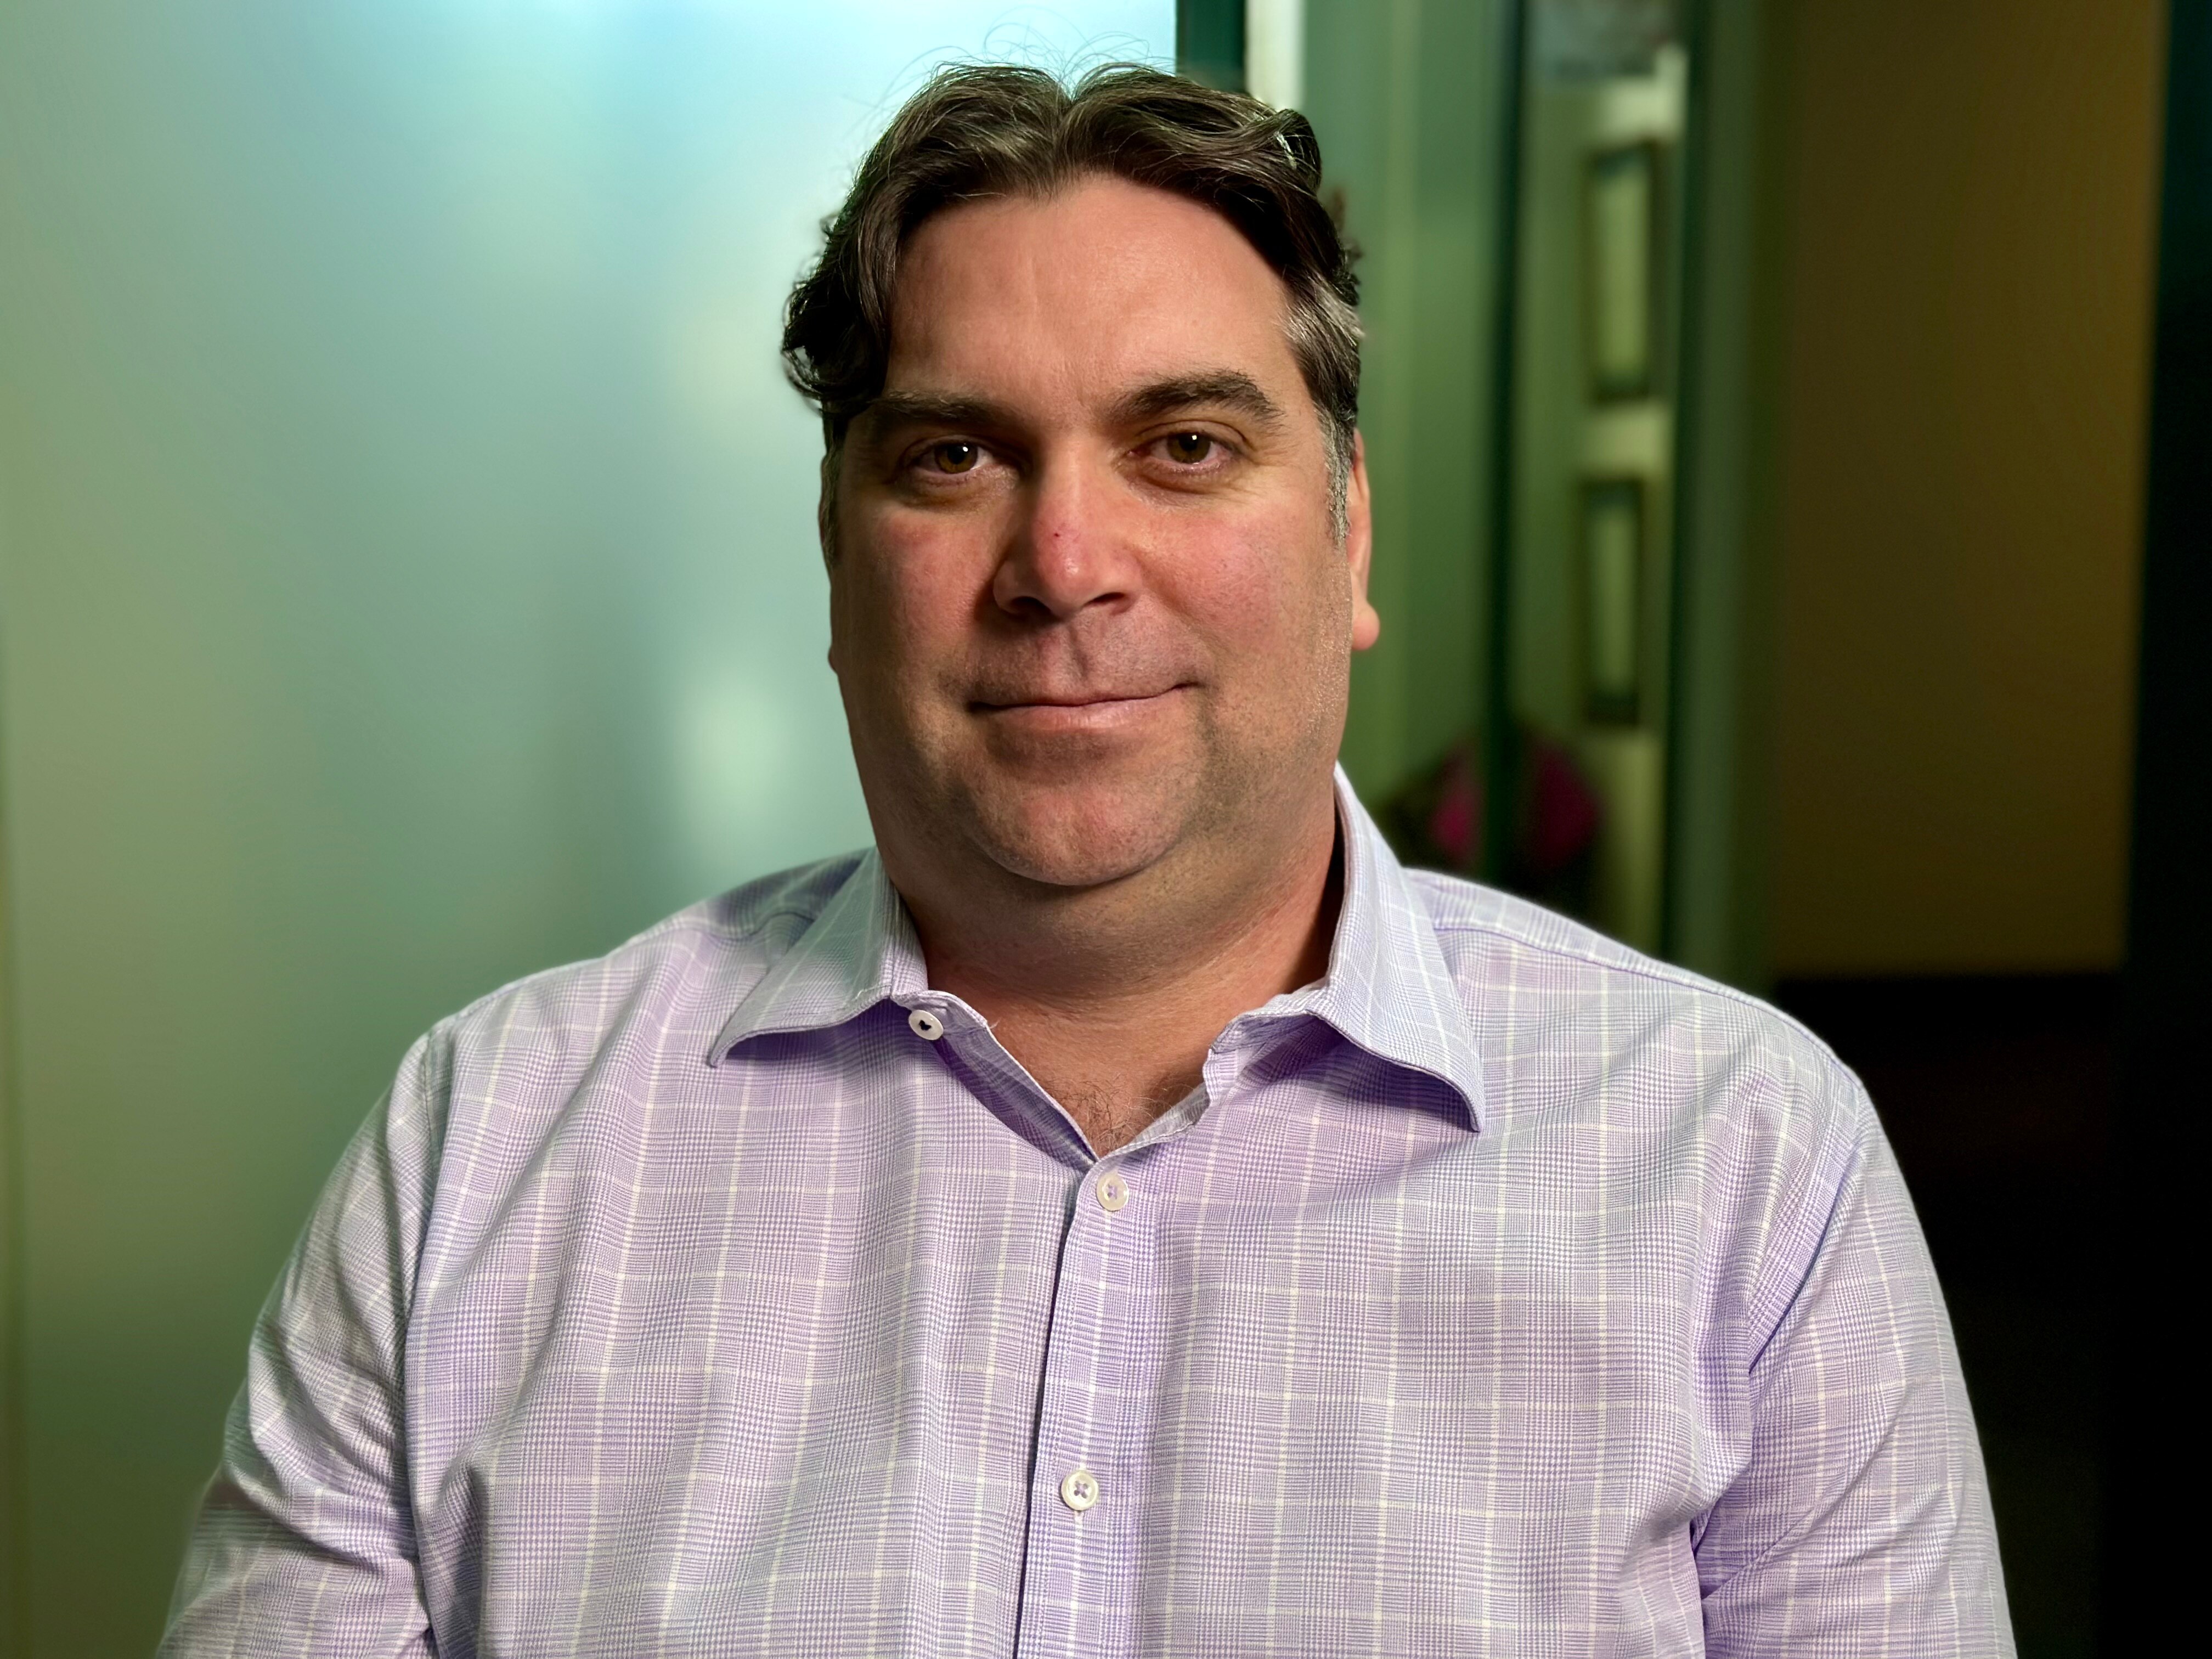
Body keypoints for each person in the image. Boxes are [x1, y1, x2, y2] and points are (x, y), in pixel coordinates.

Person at [160, 64, 2012, 1657]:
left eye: (1185, 445)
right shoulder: (480, 1154)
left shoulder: (1744, 1171)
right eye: (955, 457)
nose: (1064, 564)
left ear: (1353, 535)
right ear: (837, 559)